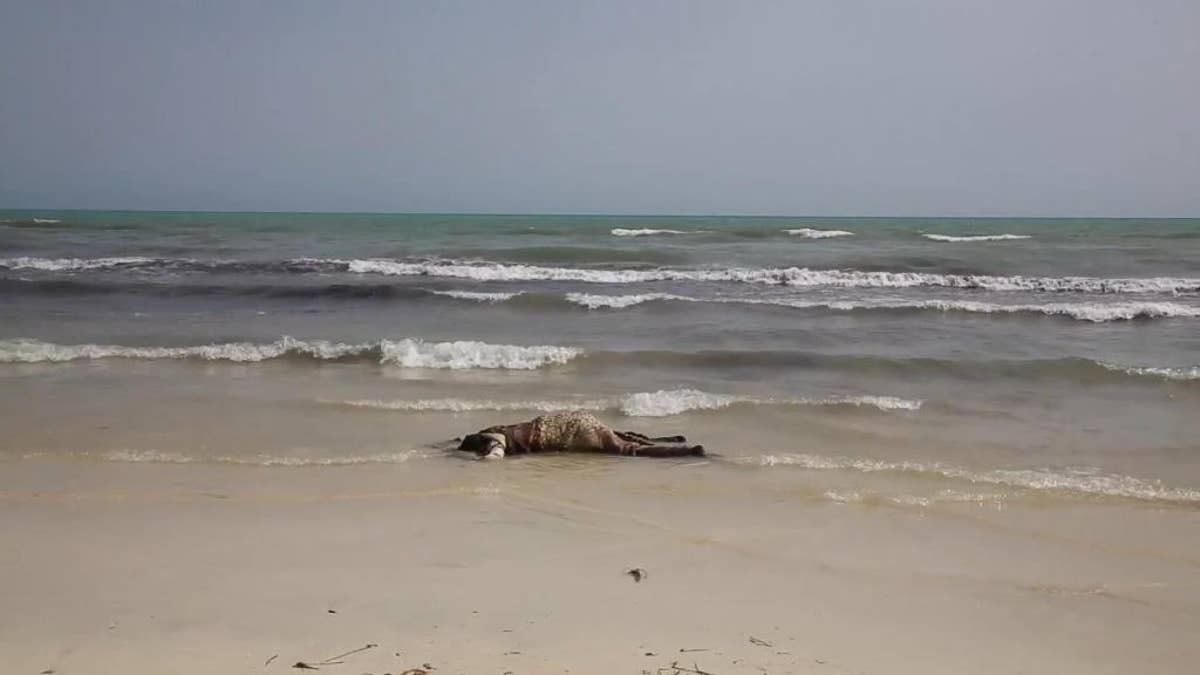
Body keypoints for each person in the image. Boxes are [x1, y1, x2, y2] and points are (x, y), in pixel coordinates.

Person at [457, 410, 705, 459]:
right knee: (617, 436)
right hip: (569, 418)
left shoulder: (495, 440)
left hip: (573, 431)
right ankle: (662, 440)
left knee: (626, 450)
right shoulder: (499, 429)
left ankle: (686, 452)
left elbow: (495, 455)